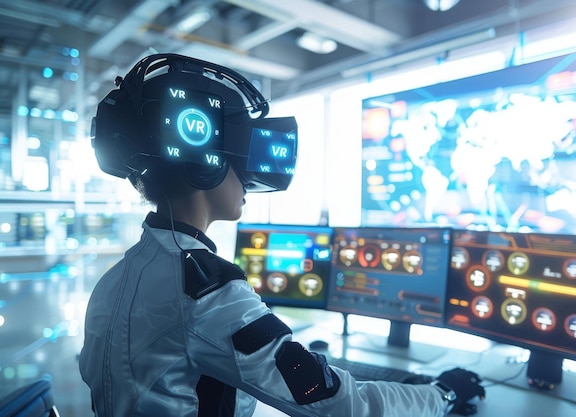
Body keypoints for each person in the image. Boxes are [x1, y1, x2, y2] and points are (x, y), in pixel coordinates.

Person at [79, 53, 485, 417]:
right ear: (206, 165)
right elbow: (332, 401)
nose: (251, 178)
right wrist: (444, 393)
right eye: (245, 153)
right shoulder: (204, 292)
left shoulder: (115, 279)